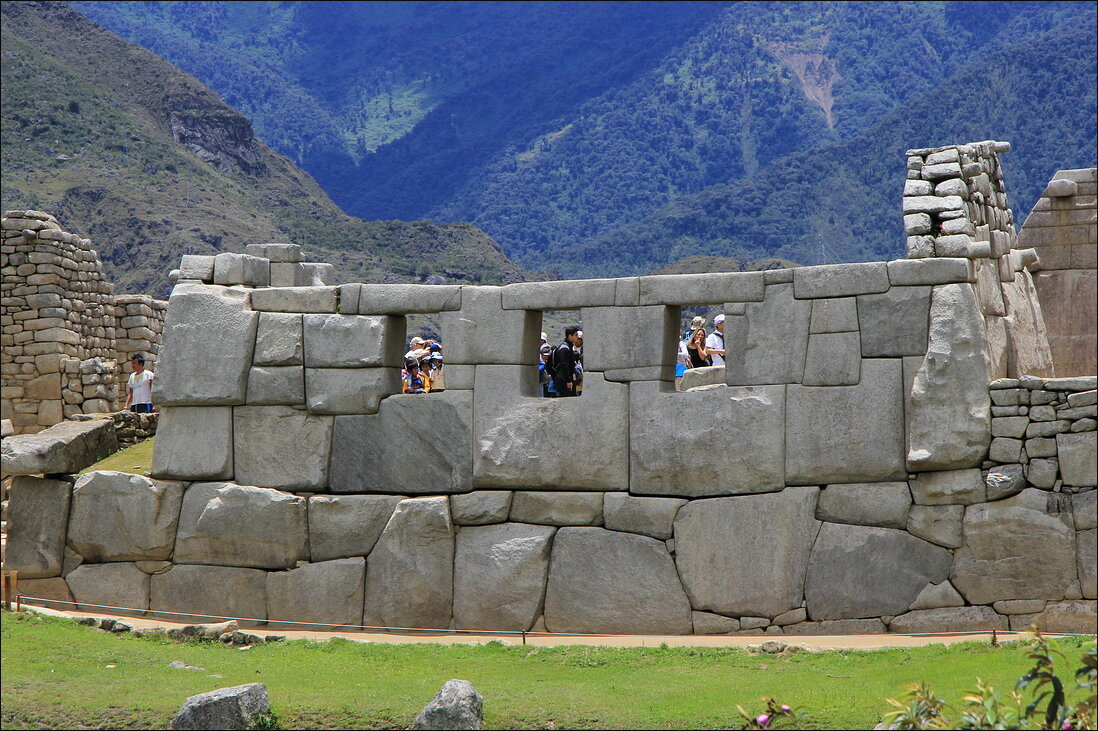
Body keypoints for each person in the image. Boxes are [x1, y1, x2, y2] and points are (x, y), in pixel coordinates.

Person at [548, 326, 582, 397]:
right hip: (563, 380)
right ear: (570, 336)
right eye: (575, 335)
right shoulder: (564, 349)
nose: (577, 337)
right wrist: (568, 381)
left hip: (565, 379)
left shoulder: (568, 347)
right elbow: (564, 365)